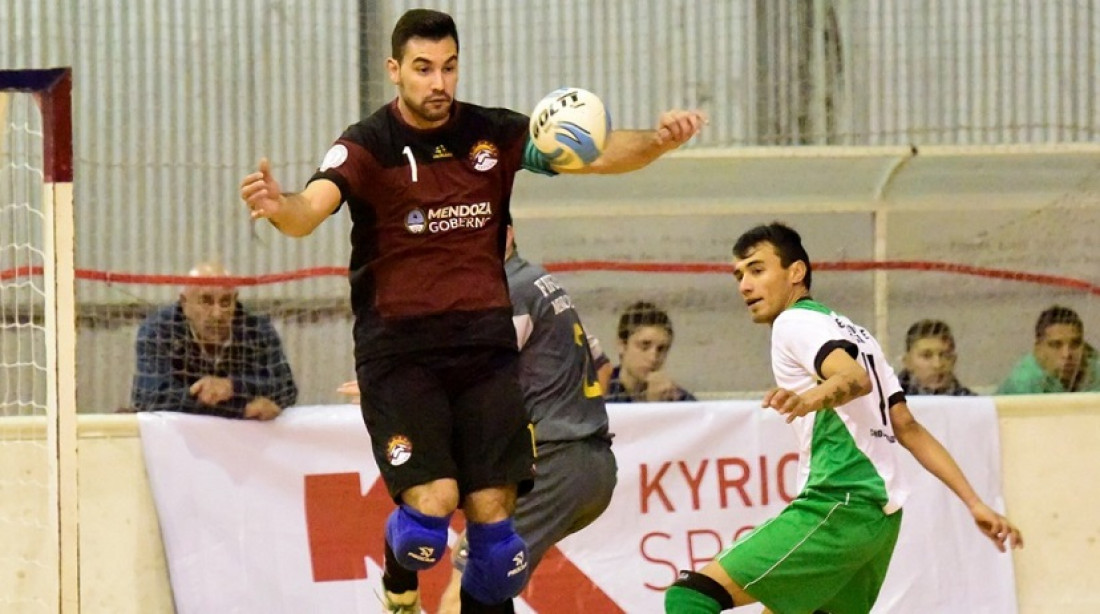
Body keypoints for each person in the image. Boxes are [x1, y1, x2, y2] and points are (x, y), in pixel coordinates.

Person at [239, 9, 703, 613]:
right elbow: (308, 210)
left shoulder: (493, 133)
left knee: (498, 548)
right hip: (401, 352)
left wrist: (658, 142)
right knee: (430, 517)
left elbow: (595, 152)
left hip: (485, 354)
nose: (439, 82)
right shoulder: (366, 145)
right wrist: (280, 205)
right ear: (395, 71)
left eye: (449, 68)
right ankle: (398, 560)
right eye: (424, 69)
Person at [664, 223, 1023, 614]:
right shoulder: (859, 335)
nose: (744, 285)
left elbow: (854, 379)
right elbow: (907, 427)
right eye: (739, 275)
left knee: (690, 596)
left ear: (796, 272)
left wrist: (808, 400)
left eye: (756, 269)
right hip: (880, 523)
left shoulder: (794, 322)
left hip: (840, 500)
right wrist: (974, 502)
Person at [343, 226, 618, 612]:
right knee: (486, 586)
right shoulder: (540, 282)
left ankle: (399, 598)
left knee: (463, 588)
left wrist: (397, 387)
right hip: (591, 459)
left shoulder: (505, 292)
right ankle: (400, 594)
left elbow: (469, 372)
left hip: (552, 460)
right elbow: (601, 367)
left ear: (505, 233)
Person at [130, 262, 297, 420]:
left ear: (235, 300)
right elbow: (149, 396)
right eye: (206, 301)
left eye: (225, 302)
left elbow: (286, 388)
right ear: (184, 303)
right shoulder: (159, 331)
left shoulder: (257, 329)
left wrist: (232, 387)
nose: (217, 314)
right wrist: (241, 409)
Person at [605, 301, 696, 402]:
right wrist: (652, 407)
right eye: (644, 346)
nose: (653, 358)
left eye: (661, 349)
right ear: (622, 345)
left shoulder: (678, 399)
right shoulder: (598, 394)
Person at [997, 305, 1100, 394]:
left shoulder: (1095, 368)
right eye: (1056, 345)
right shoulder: (1023, 384)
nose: (1067, 354)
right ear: (1038, 351)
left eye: (1075, 344)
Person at [896, 319, 975, 396]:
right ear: (907, 362)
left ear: (953, 360)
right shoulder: (887, 403)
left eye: (944, 355)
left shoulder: (975, 404)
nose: (937, 365)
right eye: (926, 356)